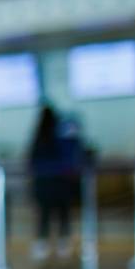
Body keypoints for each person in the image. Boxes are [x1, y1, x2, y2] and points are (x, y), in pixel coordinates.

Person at [27, 105, 79, 259]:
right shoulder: (62, 133)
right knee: (63, 214)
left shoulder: (38, 135)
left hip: (43, 182)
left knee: (44, 215)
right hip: (61, 182)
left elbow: (32, 160)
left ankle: (42, 245)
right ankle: (64, 246)